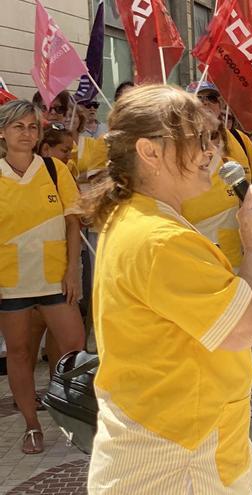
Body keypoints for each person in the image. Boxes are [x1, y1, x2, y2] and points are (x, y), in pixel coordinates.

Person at [84, 85, 252, 493]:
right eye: (197, 139)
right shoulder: (159, 237)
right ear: (149, 153)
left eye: (211, 137)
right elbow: (240, 330)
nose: (210, 151)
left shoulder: (139, 217)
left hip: (173, 435)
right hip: (180, 451)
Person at [182, 82, 252, 419]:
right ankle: (209, 400)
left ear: (222, 104)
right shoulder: (181, 148)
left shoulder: (240, 143)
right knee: (201, 332)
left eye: (211, 98)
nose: (205, 104)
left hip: (239, 250)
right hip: (197, 254)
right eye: (198, 99)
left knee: (249, 326)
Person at [0, 100, 85, 454]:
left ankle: (75, 415)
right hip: (11, 280)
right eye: (19, 127)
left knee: (75, 348)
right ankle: (32, 425)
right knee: (20, 354)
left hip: (55, 277)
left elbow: (72, 220)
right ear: (2, 132)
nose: (27, 133)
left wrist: (74, 269)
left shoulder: (54, 169)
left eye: (33, 127)